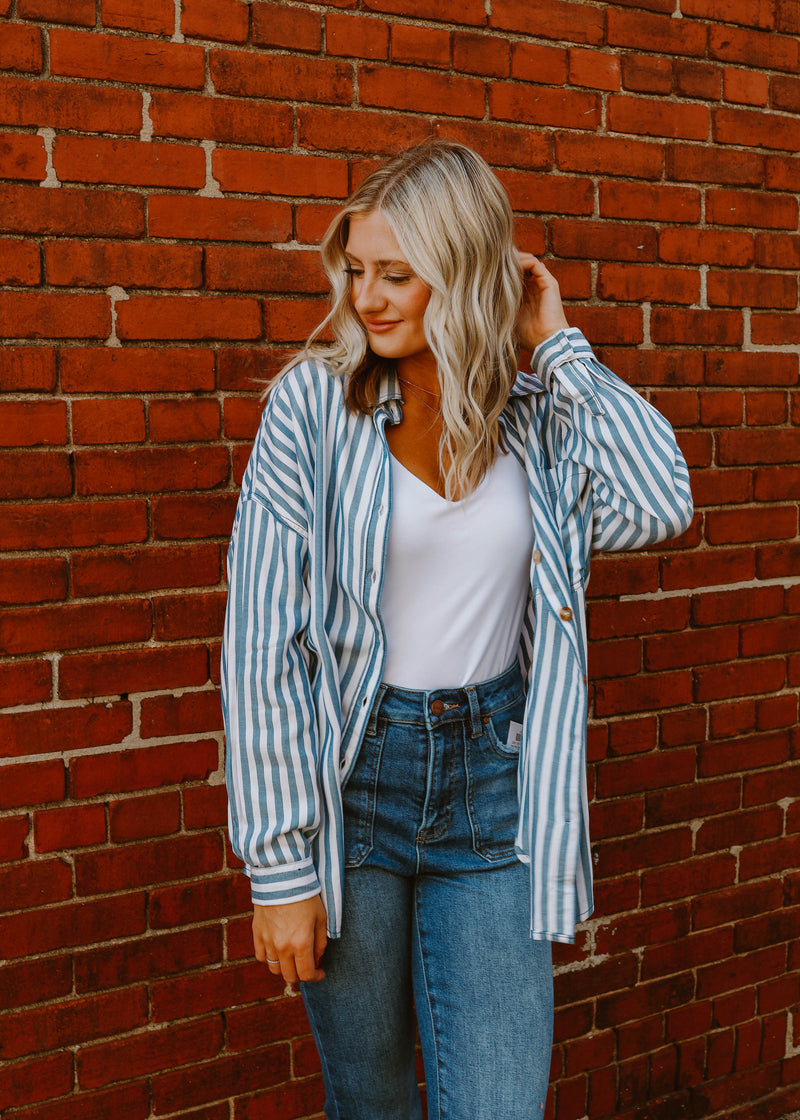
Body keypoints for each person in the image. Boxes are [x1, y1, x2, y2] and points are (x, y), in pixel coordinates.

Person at [221, 141, 693, 1120]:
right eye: (355, 271)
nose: (368, 298)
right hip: (352, 785)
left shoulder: (534, 421)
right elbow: (262, 644)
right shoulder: (310, 408)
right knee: (374, 1102)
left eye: (398, 273)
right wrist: (278, 868)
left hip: (493, 794)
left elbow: (659, 502)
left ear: (466, 272)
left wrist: (555, 343)